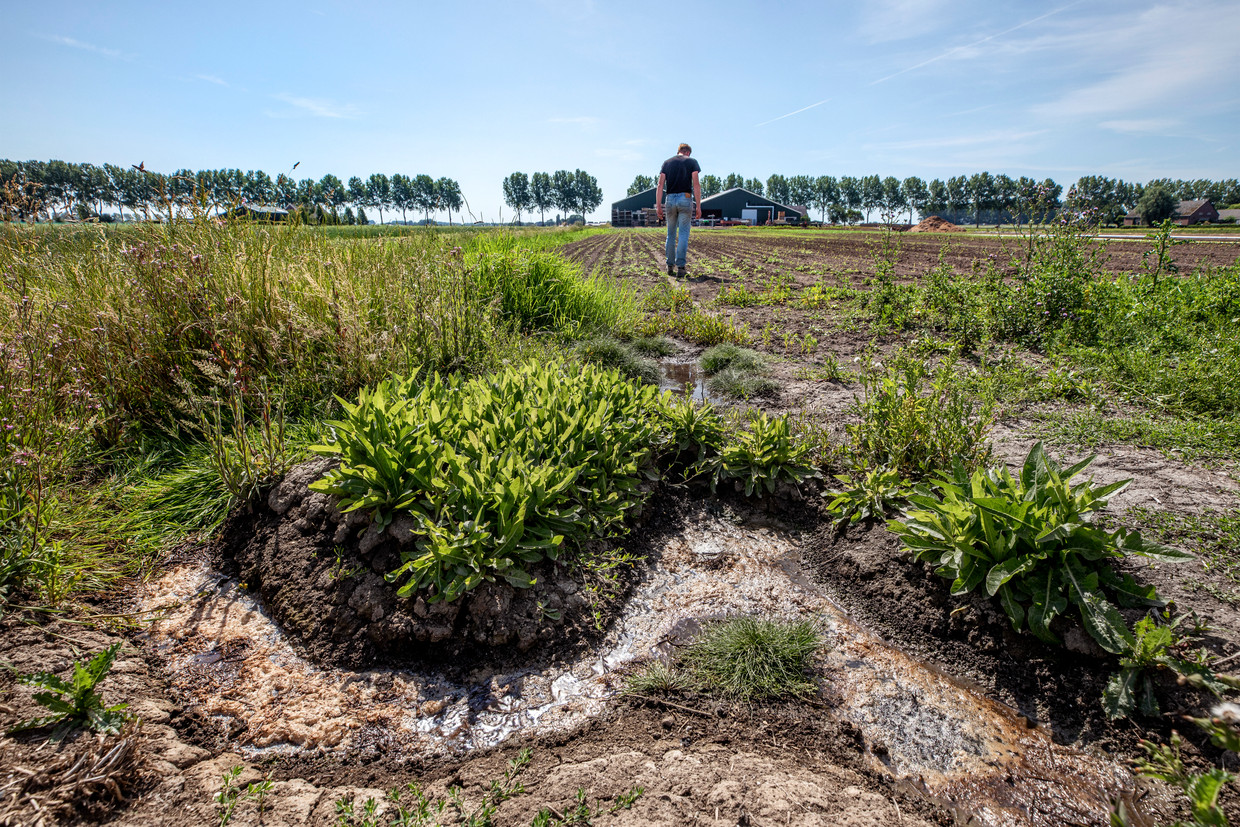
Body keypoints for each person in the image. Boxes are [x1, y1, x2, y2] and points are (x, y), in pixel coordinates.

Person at [654, 143, 702, 278]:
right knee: (683, 234)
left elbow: (660, 184)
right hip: (685, 198)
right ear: (687, 152)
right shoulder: (692, 162)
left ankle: (669, 266)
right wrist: (698, 206)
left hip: (670, 199)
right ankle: (681, 267)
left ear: (678, 151)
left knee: (670, 234)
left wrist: (658, 206)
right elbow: (696, 185)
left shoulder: (667, 163)